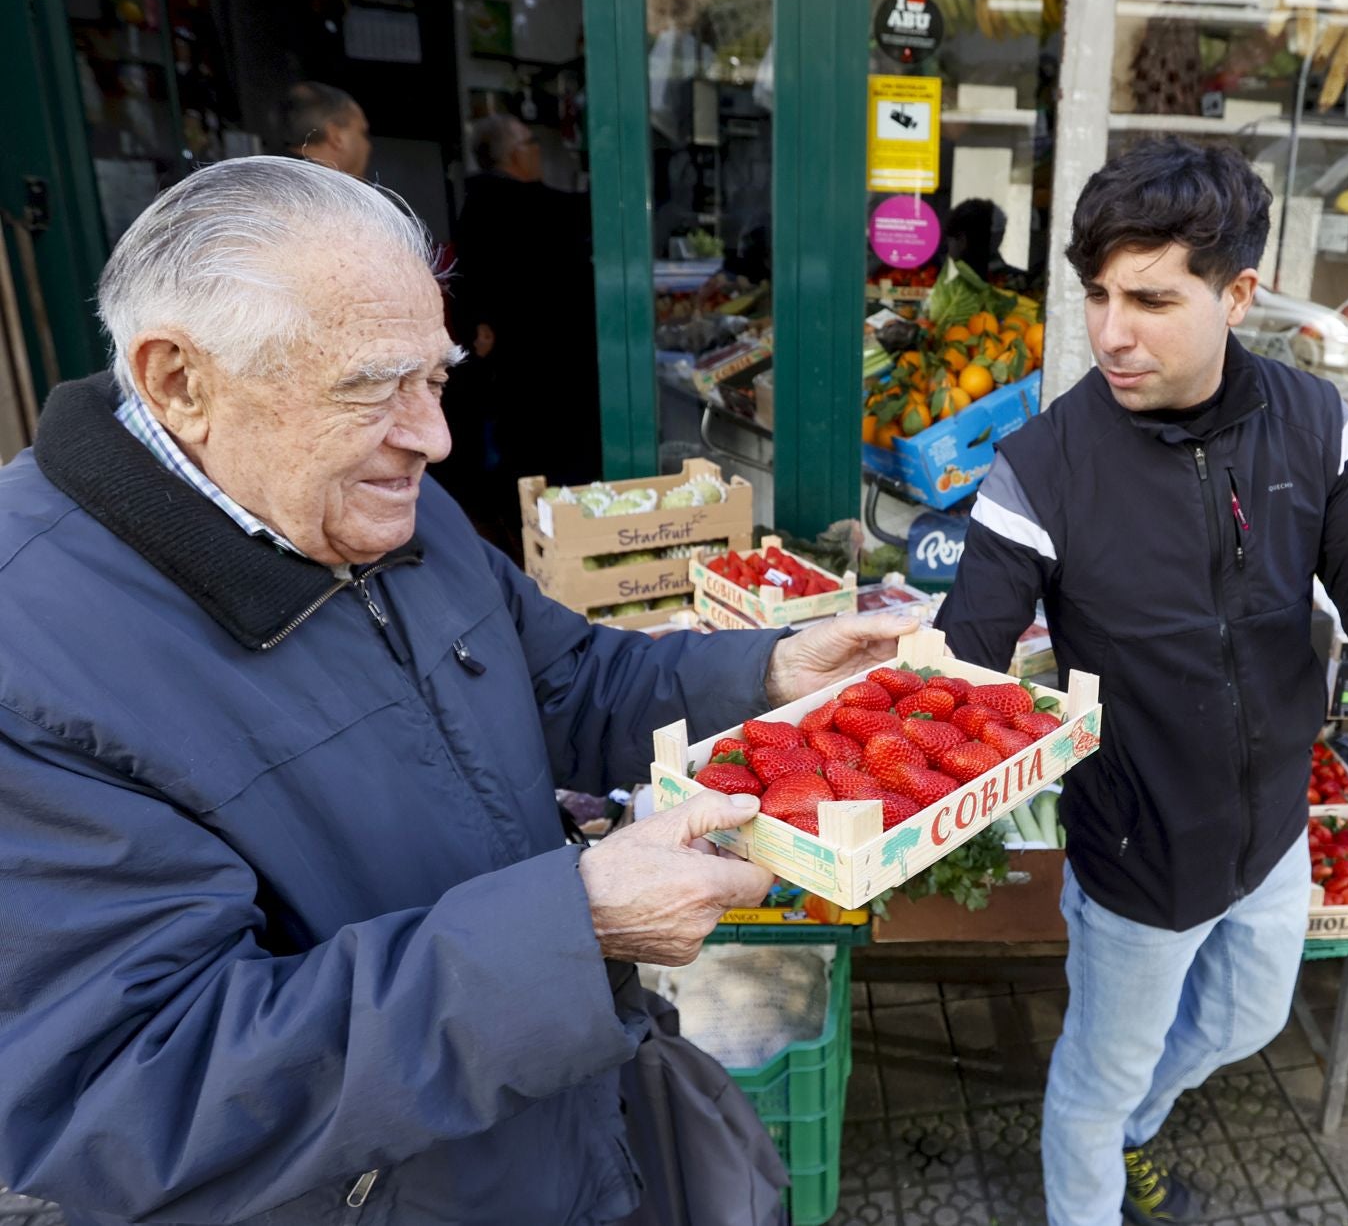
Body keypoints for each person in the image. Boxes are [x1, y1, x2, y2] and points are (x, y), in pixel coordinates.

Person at [0, 156, 914, 1226]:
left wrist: (763, 671)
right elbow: (135, 1090)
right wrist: (575, 931)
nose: (431, 436)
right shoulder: (33, 663)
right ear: (179, 383)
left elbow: (565, 679)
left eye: (434, 377)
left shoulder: (382, 500)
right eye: (371, 386)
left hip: (559, 1131)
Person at [933, 139, 1348, 1226]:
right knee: (1093, 1077)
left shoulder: (1314, 421)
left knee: (1245, 1022)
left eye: (1152, 299)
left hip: (1272, 824)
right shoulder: (1043, 465)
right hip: (1137, 846)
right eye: (1100, 294)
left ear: (1238, 294)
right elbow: (961, 663)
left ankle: (1128, 1136)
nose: (1111, 331)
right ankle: (1095, 1177)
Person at [445, 114, 601, 532]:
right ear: (516, 154)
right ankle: (555, 536)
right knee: (550, 466)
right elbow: (588, 212)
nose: (537, 152)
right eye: (532, 143)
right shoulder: (520, 204)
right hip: (545, 369)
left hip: (515, 370)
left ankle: (532, 533)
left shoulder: (479, 203)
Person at [278, 79, 371, 178]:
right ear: (335, 137)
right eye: (363, 133)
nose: (368, 146)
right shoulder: (320, 188)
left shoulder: (267, 176)